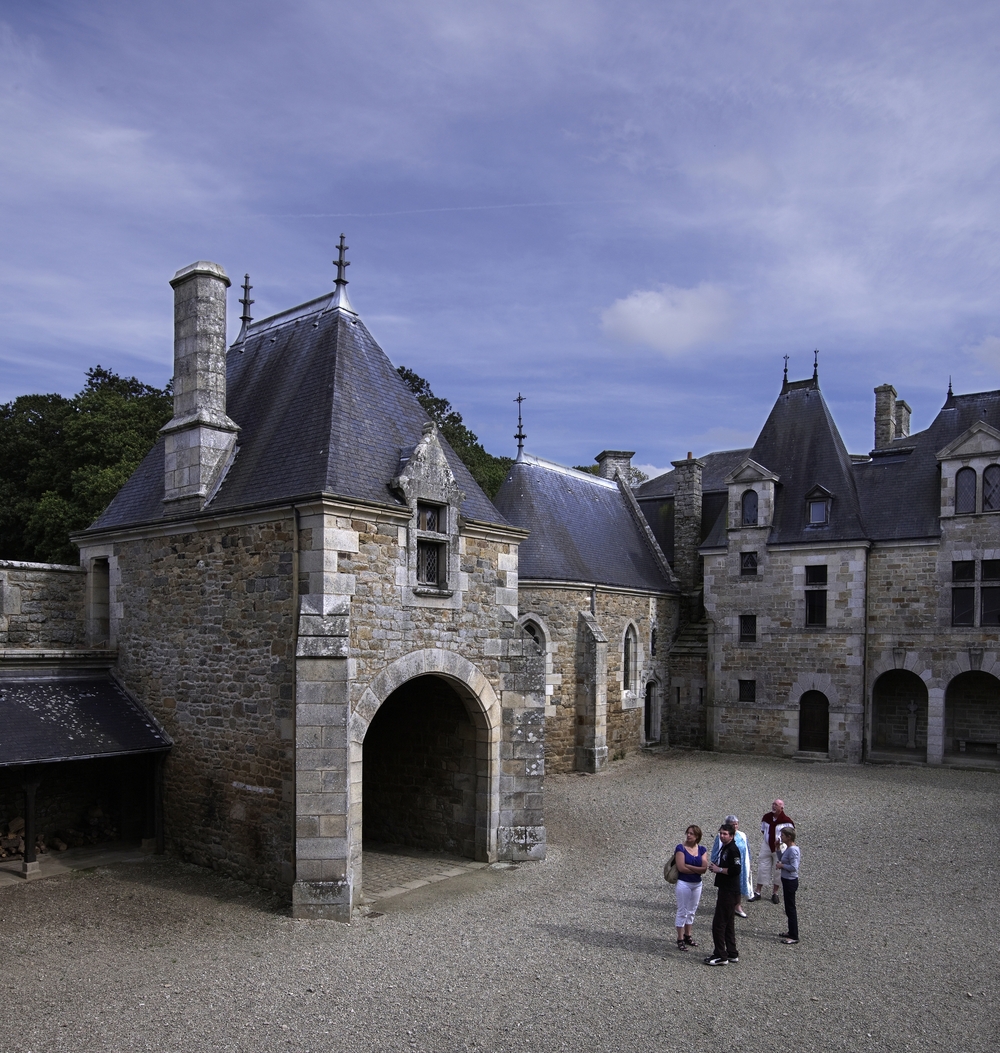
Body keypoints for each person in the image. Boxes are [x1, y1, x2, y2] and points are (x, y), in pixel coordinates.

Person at [704, 823, 741, 966]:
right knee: (728, 923)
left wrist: (719, 870)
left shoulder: (733, 850)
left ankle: (720, 955)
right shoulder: (725, 847)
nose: (722, 836)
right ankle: (731, 952)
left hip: (729, 891)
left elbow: (736, 869)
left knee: (718, 924)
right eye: (721, 833)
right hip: (726, 889)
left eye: (725, 834)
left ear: (731, 836)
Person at [673, 824, 709, 951]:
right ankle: (680, 938)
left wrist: (690, 867)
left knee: (692, 910)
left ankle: (688, 935)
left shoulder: (702, 849)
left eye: (691, 833)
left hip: (697, 884)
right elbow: (681, 868)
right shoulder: (680, 848)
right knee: (682, 911)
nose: (688, 835)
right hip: (684, 883)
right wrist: (696, 869)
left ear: (697, 836)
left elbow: (704, 869)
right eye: (688, 833)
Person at [752, 799, 794, 904]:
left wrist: (782, 843)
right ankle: (758, 891)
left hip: (780, 847)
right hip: (766, 845)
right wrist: (769, 839)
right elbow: (763, 830)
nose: (774, 806)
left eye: (776, 805)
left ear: (781, 808)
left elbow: (791, 835)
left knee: (778, 870)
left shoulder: (787, 821)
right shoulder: (766, 817)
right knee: (762, 867)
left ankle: (775, 893)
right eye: (773, 804)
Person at [711, 814, 751, 917]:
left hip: (741, 864)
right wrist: (715, 863)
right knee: (726, 887)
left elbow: (747, 849)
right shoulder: (721, 837)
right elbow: (715, 850)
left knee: (739, 885)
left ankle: (737, 906)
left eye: (736, 824)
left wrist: (748, 862)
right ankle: (725, 906)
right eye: (733, 824)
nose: (735, 826)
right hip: (726, 864)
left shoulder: (742, 835)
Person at [775, 826, 801, 944]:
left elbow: (794, 867)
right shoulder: (789, 849)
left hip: (790, 881)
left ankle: (794, 936)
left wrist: (782, 866)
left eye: (783, 835)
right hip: (786, 880)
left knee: (790, 908)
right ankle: (791, 931)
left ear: (789, 837)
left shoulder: (793, 850)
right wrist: (777, 848)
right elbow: (783, 858)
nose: (781, 837)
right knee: (788, 907)